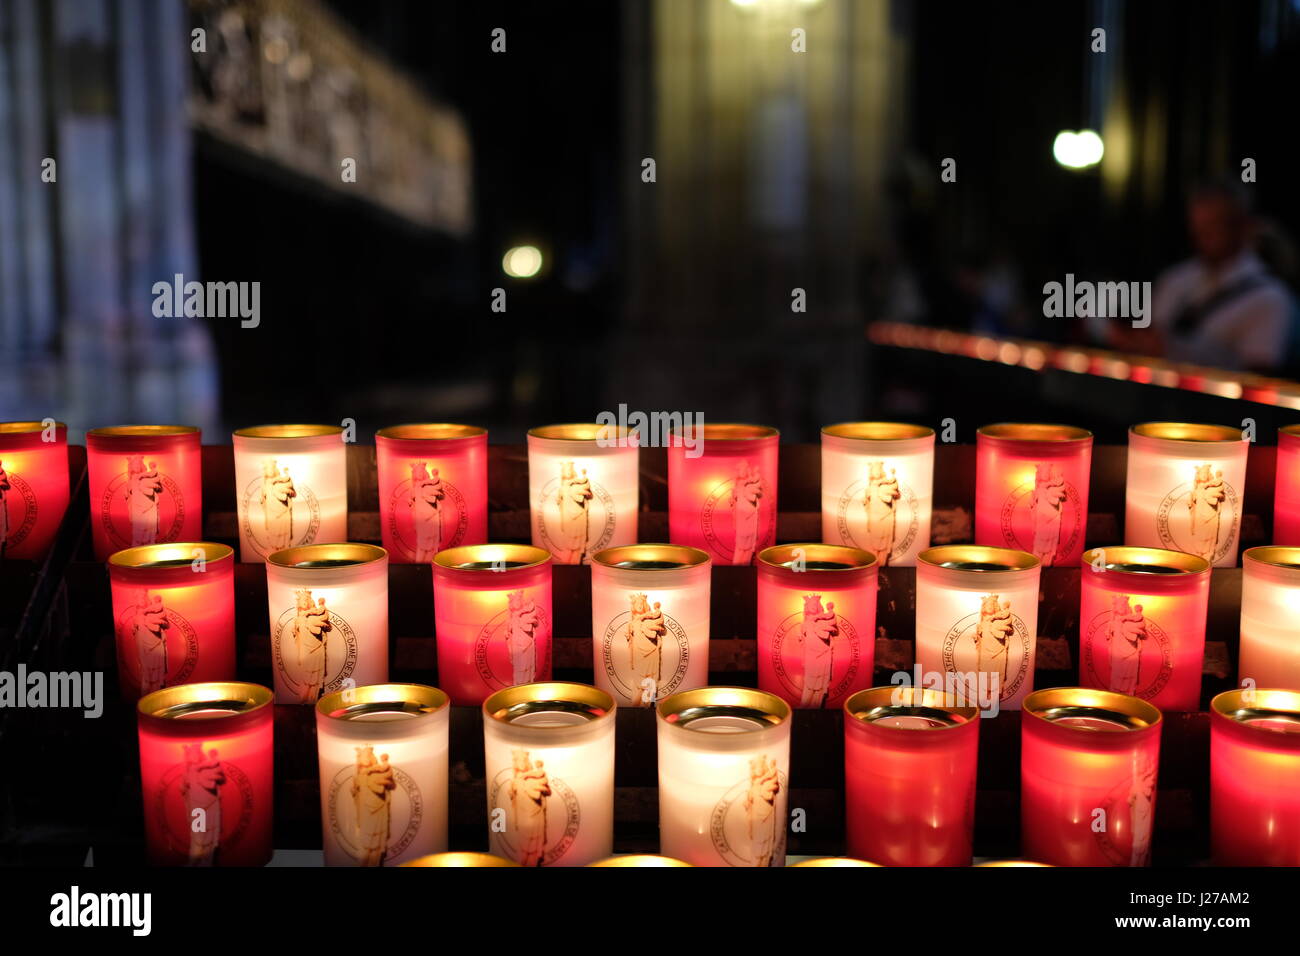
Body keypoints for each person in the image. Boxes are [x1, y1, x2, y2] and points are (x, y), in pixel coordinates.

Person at [1141, 181, 1294, 371]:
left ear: (1242, 226)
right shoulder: (1175, 279)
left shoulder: (1272, 299)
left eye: (1214, 225)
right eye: (1198, 226)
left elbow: (1260, 377)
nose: (1203, 236)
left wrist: (1176, 351)